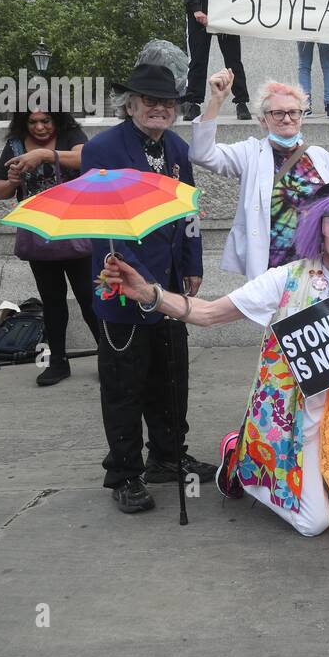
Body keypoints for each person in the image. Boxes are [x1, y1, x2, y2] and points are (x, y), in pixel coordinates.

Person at [102, 176, 329, 552]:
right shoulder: (285, 279)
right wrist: (149, 294)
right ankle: (242, 460)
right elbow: (207, 314)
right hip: (292, 417)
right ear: (318, 225)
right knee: (313, 524)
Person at [81, 62, 213, 513]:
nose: (160, 108)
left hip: (171, 285)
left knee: (172, 375)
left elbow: (189, 211)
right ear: (131, 104)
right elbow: (102, 227)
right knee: (124, 383)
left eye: (168, 103)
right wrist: (141, 280)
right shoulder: (102, 148)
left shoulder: (176, 147)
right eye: (151, 101)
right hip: (122, 285)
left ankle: (168, 456)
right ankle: (124, 472)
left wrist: (192, 264)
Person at [191, 72, 329, 280]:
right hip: (271, 270)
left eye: (294, 112)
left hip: (316, 268)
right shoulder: (249, 153)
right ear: (263, 121)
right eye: (277, 113)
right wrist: (216, 100)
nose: (287, 119)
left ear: (301, 117)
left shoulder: (323, 159)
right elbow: (202, 154)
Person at [0, 108, 98, 386]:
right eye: (33, 122)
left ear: (57, 119)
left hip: (75, 229)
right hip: (39, 232)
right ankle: (58, 361)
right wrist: (12, 181)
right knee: (51, 301)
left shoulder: (70, 135)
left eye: (46, 121)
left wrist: (44, 155)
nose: (39, 127)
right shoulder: (15, 144)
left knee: (89, 299)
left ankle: (110, 358)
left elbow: (86, 158)